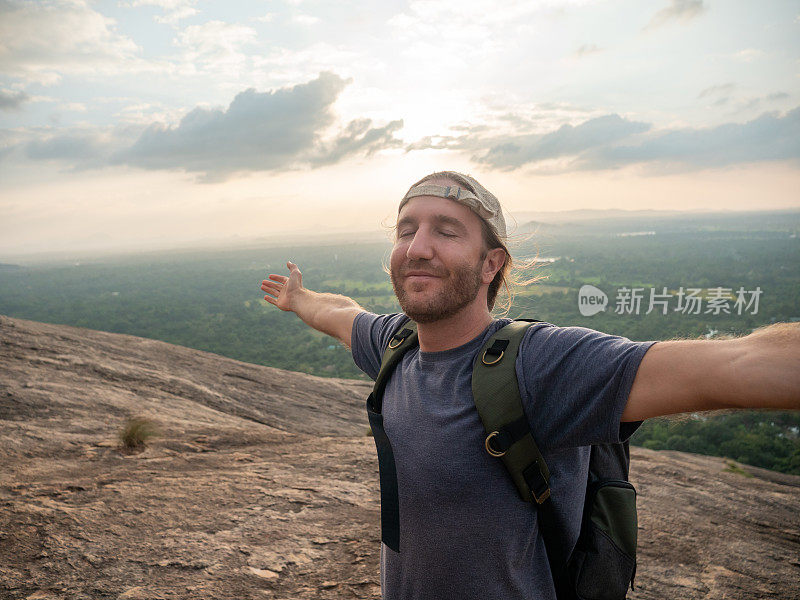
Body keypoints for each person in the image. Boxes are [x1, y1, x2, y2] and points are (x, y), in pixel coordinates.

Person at [259, 171, 799, 600]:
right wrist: (298, 300)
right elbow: (342, 313)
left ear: (491, 263)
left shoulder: (539, 365)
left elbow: (737, 364)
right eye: (406, 230)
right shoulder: (397, 346)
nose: (417, 248)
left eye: (446, 232)